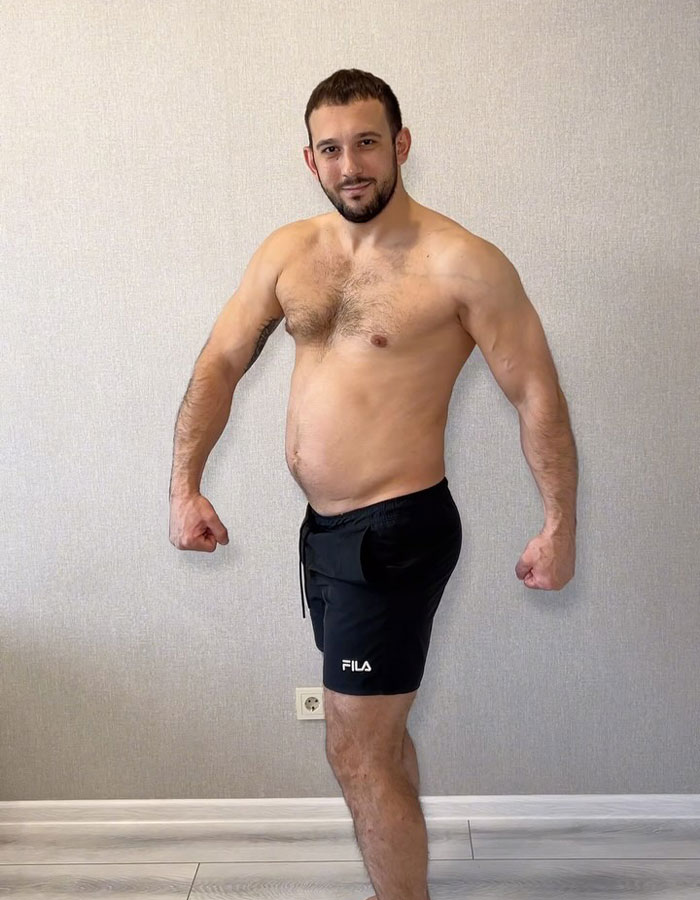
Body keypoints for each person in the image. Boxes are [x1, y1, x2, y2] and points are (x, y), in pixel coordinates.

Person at [169, 68, 578, 900]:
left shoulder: (461, 262)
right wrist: (185, 484)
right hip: (325, 534)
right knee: (377, 740)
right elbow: (219, 359)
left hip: (396, 533)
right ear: (310, 158)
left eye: (366, 142)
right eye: (331, 147)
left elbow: (536, 391)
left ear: (400, 145)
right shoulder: (291, 251)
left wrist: (558, 524)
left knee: (353, 748)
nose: (350, 163)